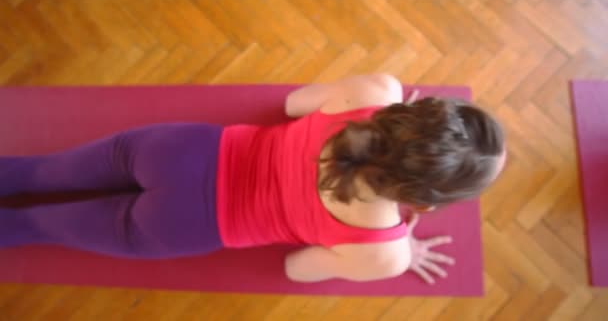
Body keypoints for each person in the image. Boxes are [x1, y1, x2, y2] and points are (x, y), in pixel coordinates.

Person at [0, 74, 505, 284]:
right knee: (41, 227)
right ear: (427, 201)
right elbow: (297, 269)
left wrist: (388, 116)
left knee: (41, 170)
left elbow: (294, 105)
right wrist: (405, 246)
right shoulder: (384, 251)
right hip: (181, 223)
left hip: (175, 152)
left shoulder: (375, 88)